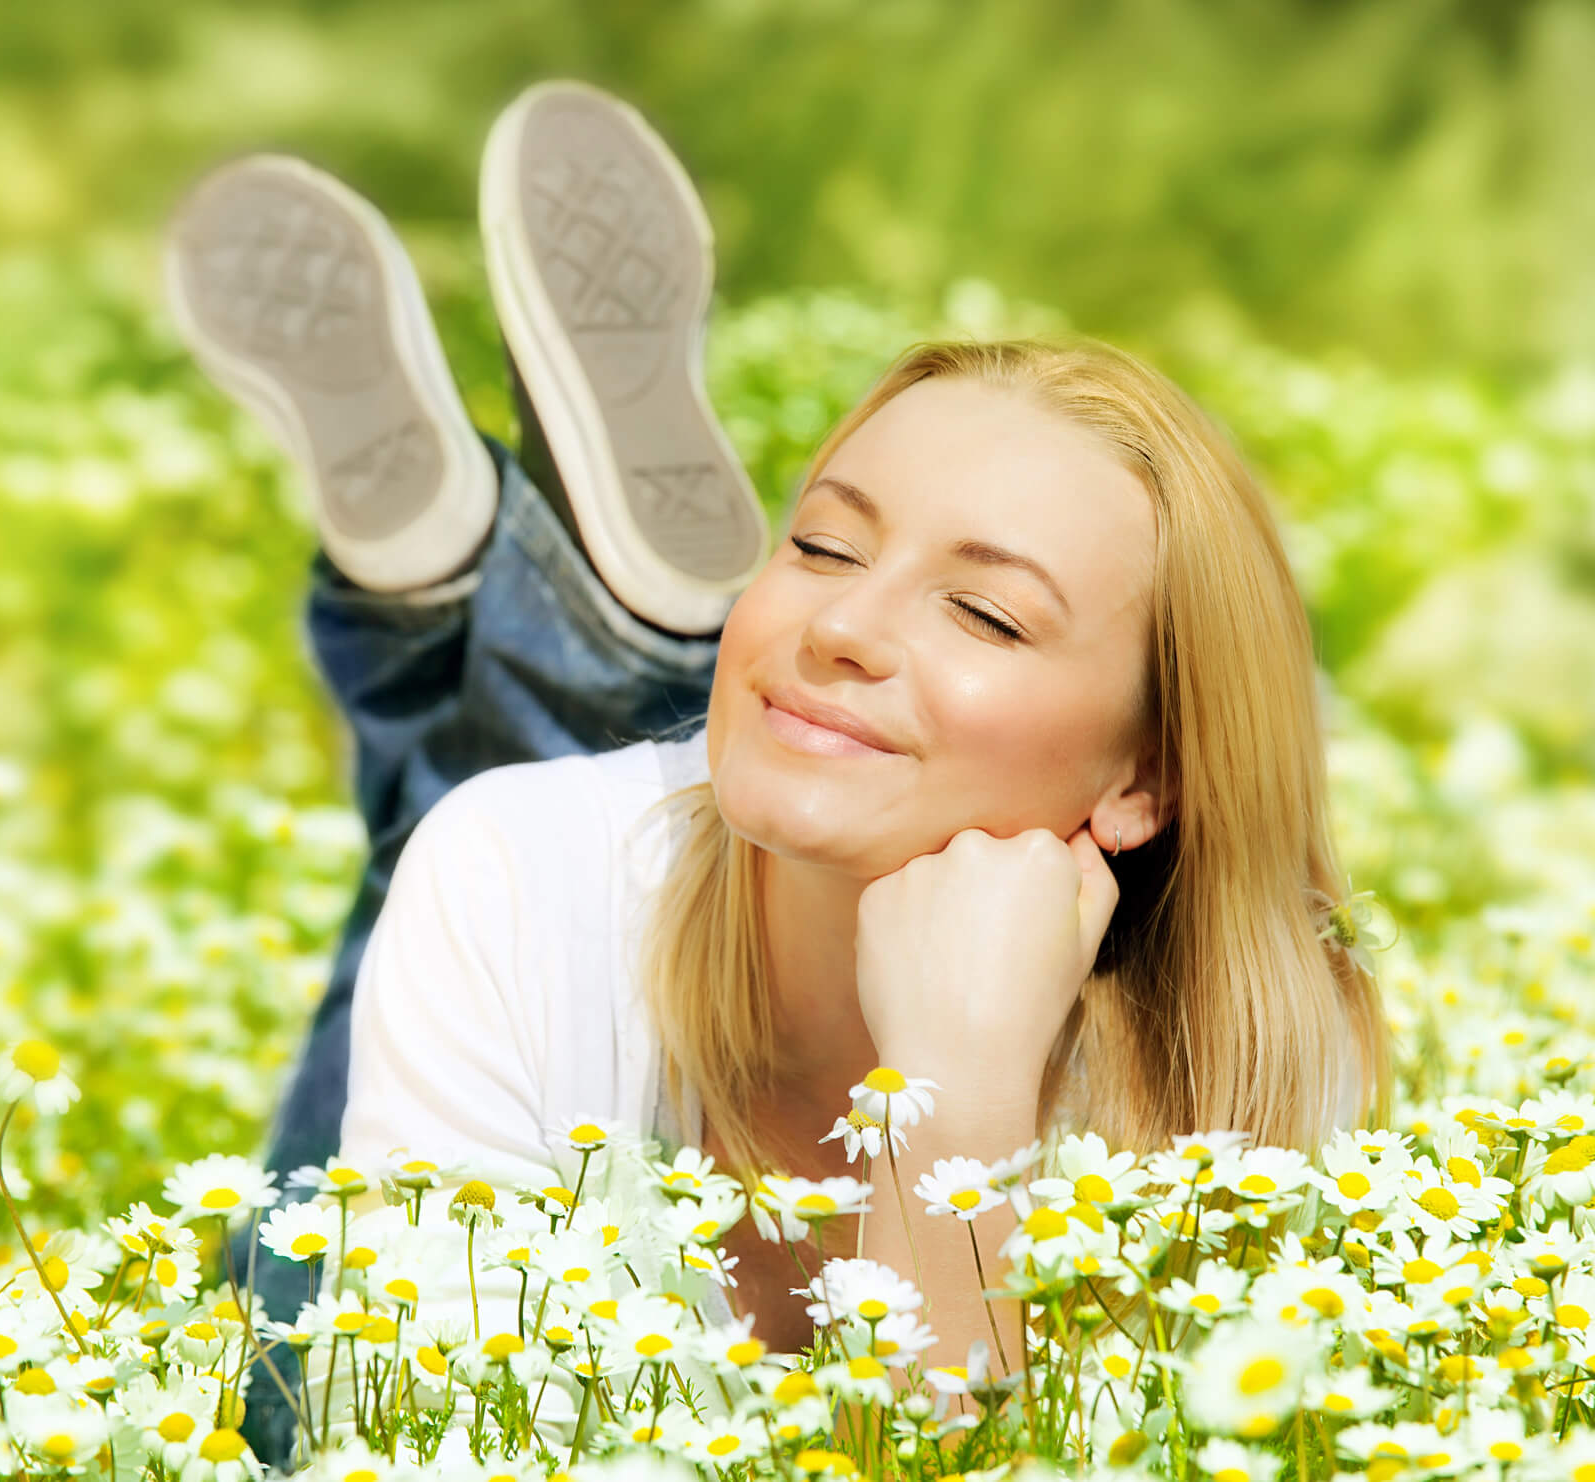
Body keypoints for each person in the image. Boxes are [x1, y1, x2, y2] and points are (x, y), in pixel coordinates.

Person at [165, 80, 1390, 1470]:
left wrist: (962, 1090)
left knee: (444, 837)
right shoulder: (518, 874)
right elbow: (428, 1442)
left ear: (1144, 782)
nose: (845, 626)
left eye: (986, 615)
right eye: (820, 545)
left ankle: (498, 612)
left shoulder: (1249, 1076)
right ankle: (551, 628)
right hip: (542, 908)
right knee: (285, 1364)